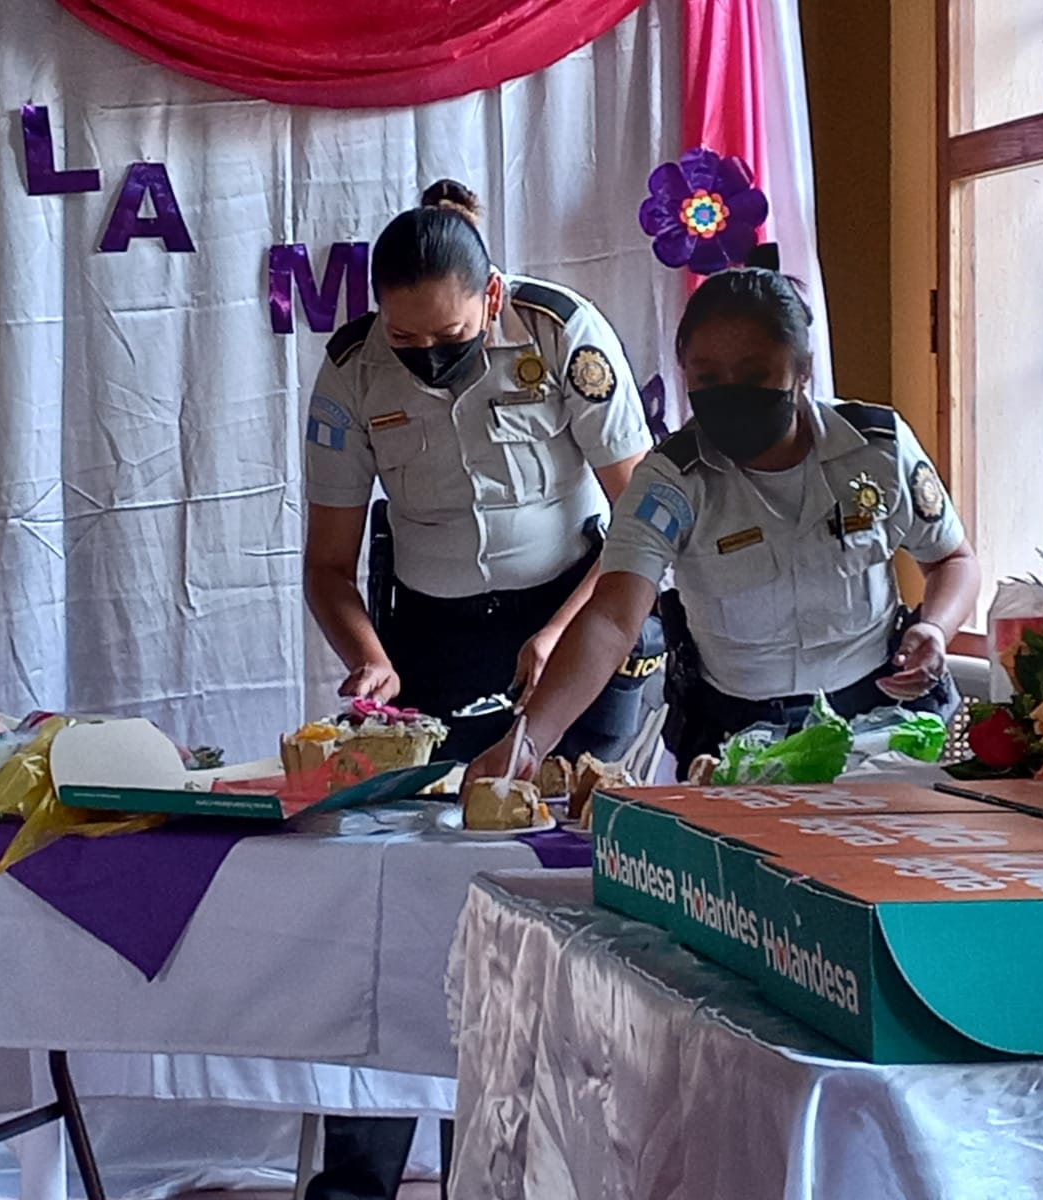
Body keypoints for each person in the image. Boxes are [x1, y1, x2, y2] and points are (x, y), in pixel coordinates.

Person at [300, 181, 659, 1200]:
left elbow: (642, 524)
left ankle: (513, 1173)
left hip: (582, 622)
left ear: (493, 296)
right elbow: (328, 568)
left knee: (552, 899)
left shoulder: (561, 334)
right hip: (434, 645)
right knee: (404, 895)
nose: (427, 361)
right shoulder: (348, 374)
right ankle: (357, 1178)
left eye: (449, 337)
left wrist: (556, 633)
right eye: (406, 343)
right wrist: (370, 655)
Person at [467, 253, 980, 783]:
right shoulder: (670, 481)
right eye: (707, 376)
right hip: (738, 742)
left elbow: (953, 559)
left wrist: (936, 629)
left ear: (801, 369)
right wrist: (529, 739)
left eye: (755, 373)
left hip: (879, 728)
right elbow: (613, 618)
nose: (730, 392)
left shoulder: (877, 448)